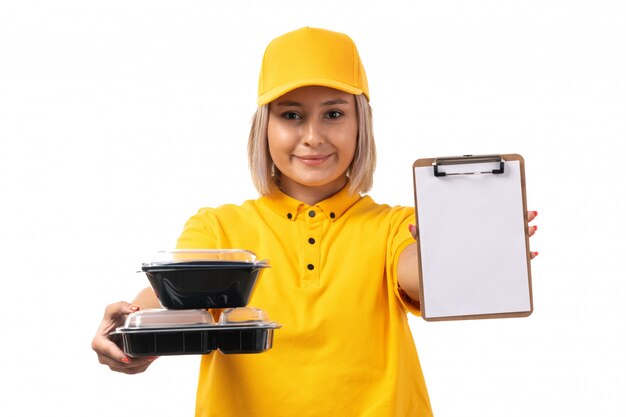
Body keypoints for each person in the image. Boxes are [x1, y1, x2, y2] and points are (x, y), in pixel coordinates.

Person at [92, 27, 539, 416]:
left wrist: (463, 247)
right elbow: (170, 294)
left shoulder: (393, 226)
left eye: (334, 113)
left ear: (360, 124)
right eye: (291, 115)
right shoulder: (218, 228)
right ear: (264, 127)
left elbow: (422, 274)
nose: (313, 136)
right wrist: (132, 327)